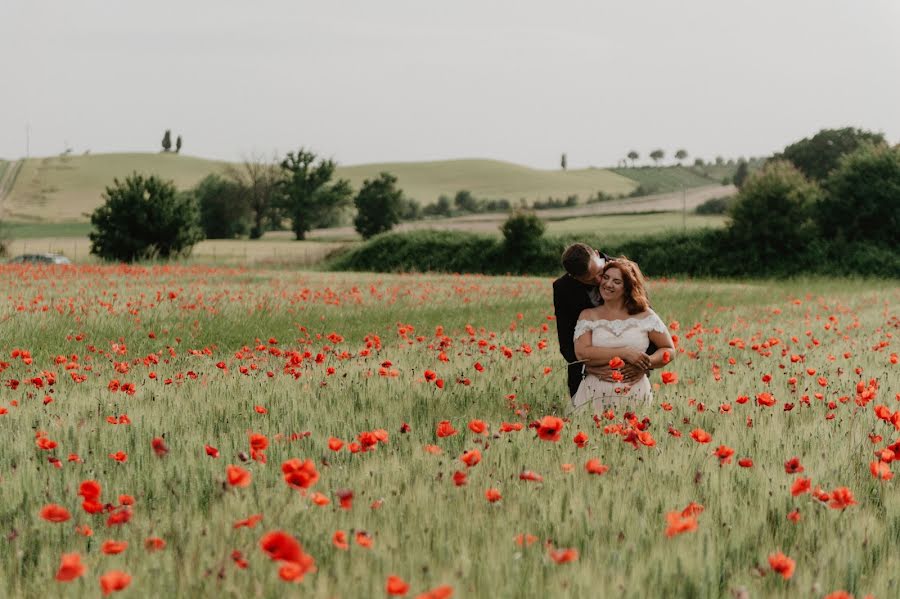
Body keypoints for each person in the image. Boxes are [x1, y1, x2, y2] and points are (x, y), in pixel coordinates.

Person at [570, 258, 676, 413]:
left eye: (616, 281)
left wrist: (646, 363)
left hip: (635, 394)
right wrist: (625, 352)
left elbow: (669, 349)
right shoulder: (588, 315)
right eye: (605, 278)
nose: (608, 284)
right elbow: (582, 353)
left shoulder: (645, 314)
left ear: (627, 288)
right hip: (594, 392)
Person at [552, 243, 648, 398]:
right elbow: (566, 342)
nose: (599, 281)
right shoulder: (563, 289)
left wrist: (642, 367)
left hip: (631, 377)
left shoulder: (627, 269)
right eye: (589, 280)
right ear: (575, 278)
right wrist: (587, 367)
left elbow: (646, 323)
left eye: (599, 272)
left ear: (596, 254)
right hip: (587, 380)